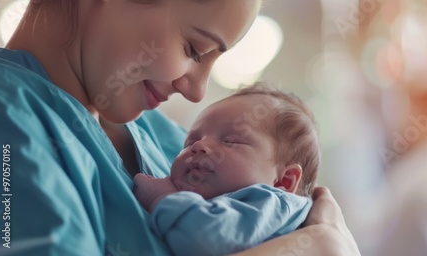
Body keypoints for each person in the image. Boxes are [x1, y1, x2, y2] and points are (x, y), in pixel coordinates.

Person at [0, 0, 360, 255]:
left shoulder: (167, 138)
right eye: (194, 48)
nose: (196, 91)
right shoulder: (7, 123)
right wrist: (317, 244)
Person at [133, 83, 319, 256]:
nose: (199, 146)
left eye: (228, 141)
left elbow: (204, 239)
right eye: (190, 141)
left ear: (283, 181)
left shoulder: (273, 203)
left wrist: (163, 197)